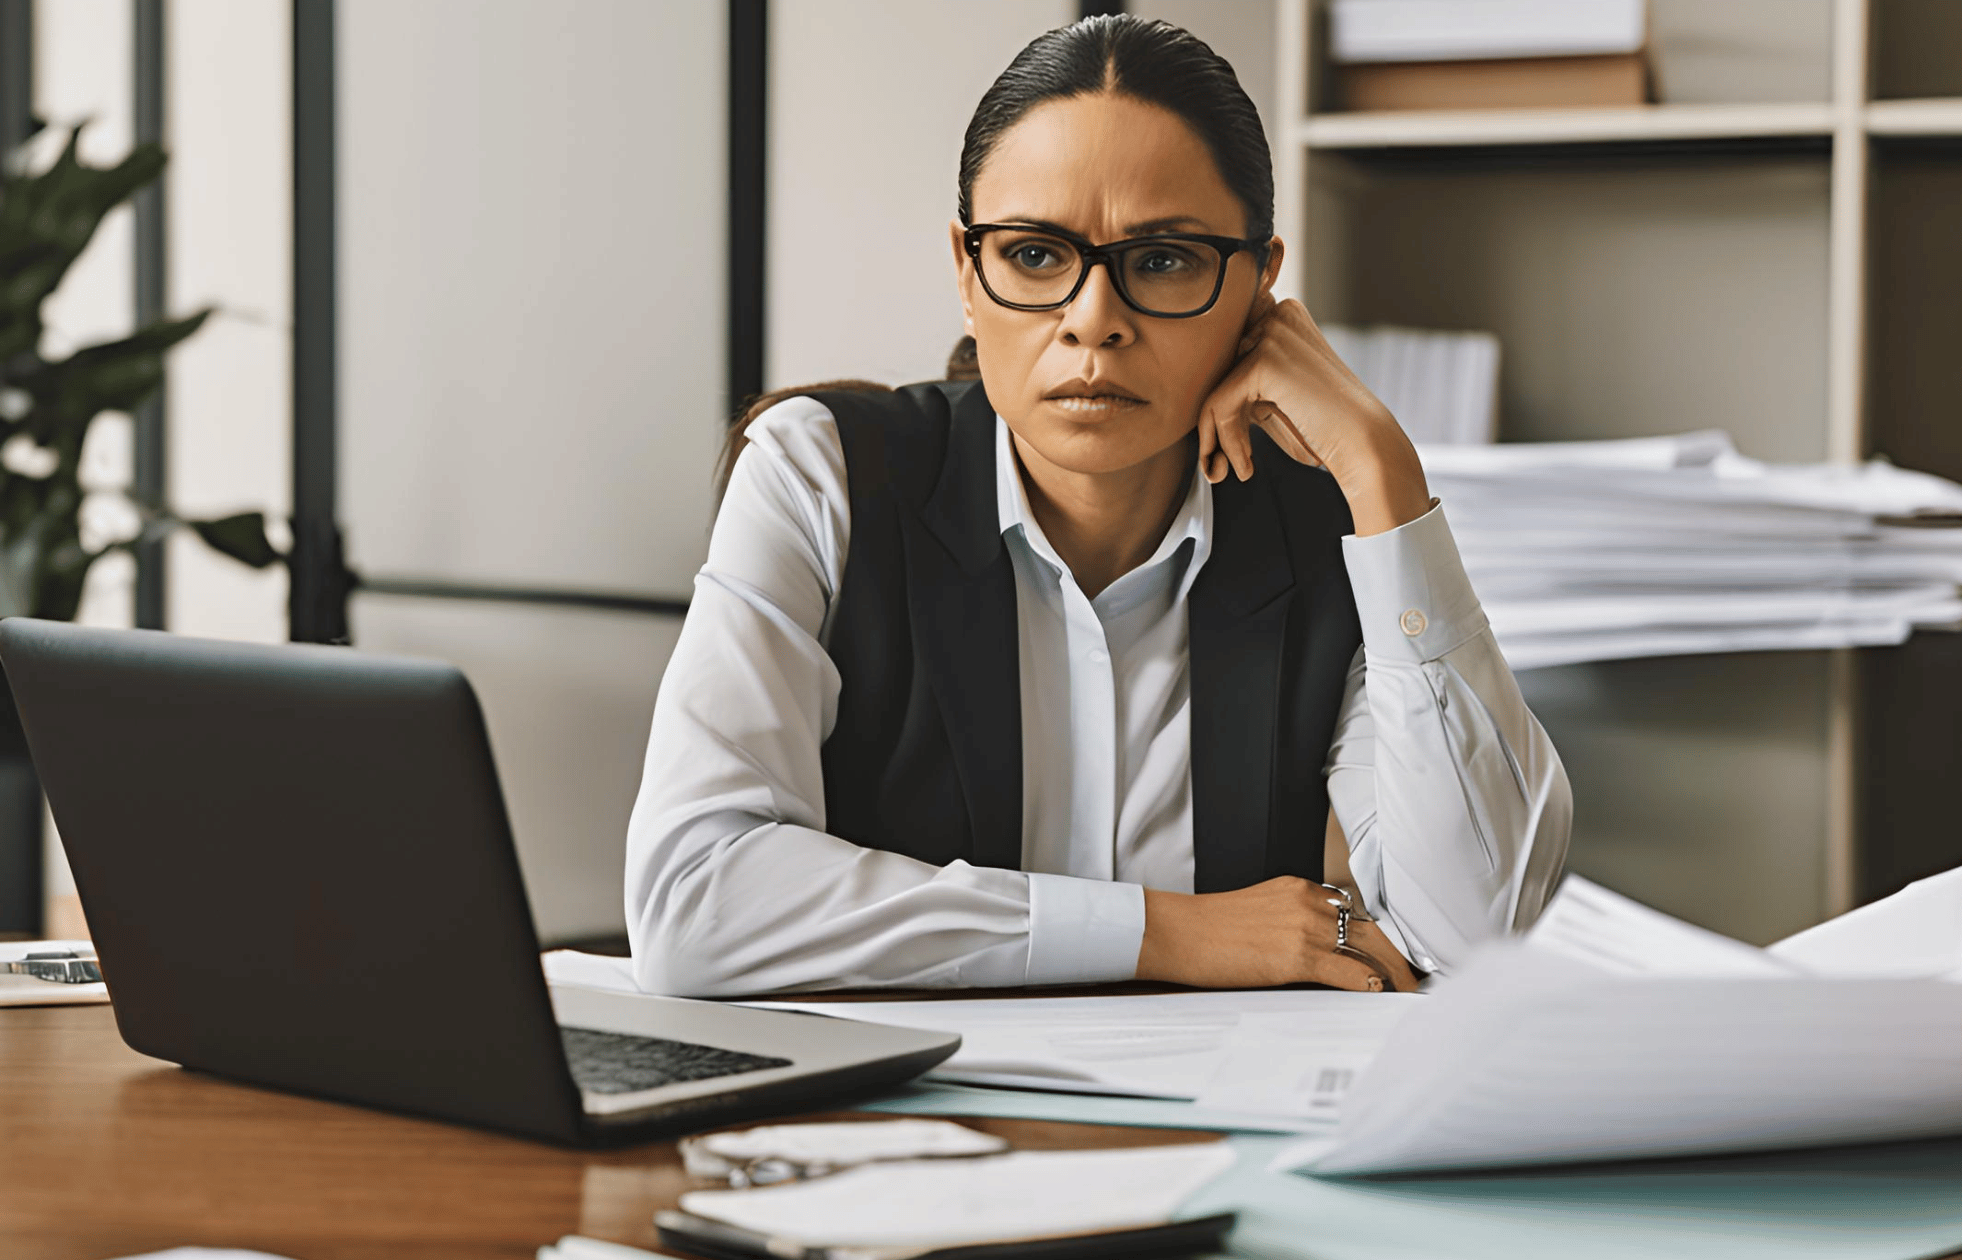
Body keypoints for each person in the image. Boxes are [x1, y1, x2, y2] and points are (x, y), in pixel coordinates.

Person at [624, 14, 1570, 996]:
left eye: (1162, 261)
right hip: (893, 1133)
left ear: (1258, 288)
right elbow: (693, 900)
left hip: (1229, 1124)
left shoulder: (1331, 526)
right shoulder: (821, 476)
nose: (1092, 321)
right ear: (966, 271)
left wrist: (1384, 473)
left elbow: (1477, 931)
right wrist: (1165, 935)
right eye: (1034, 256)